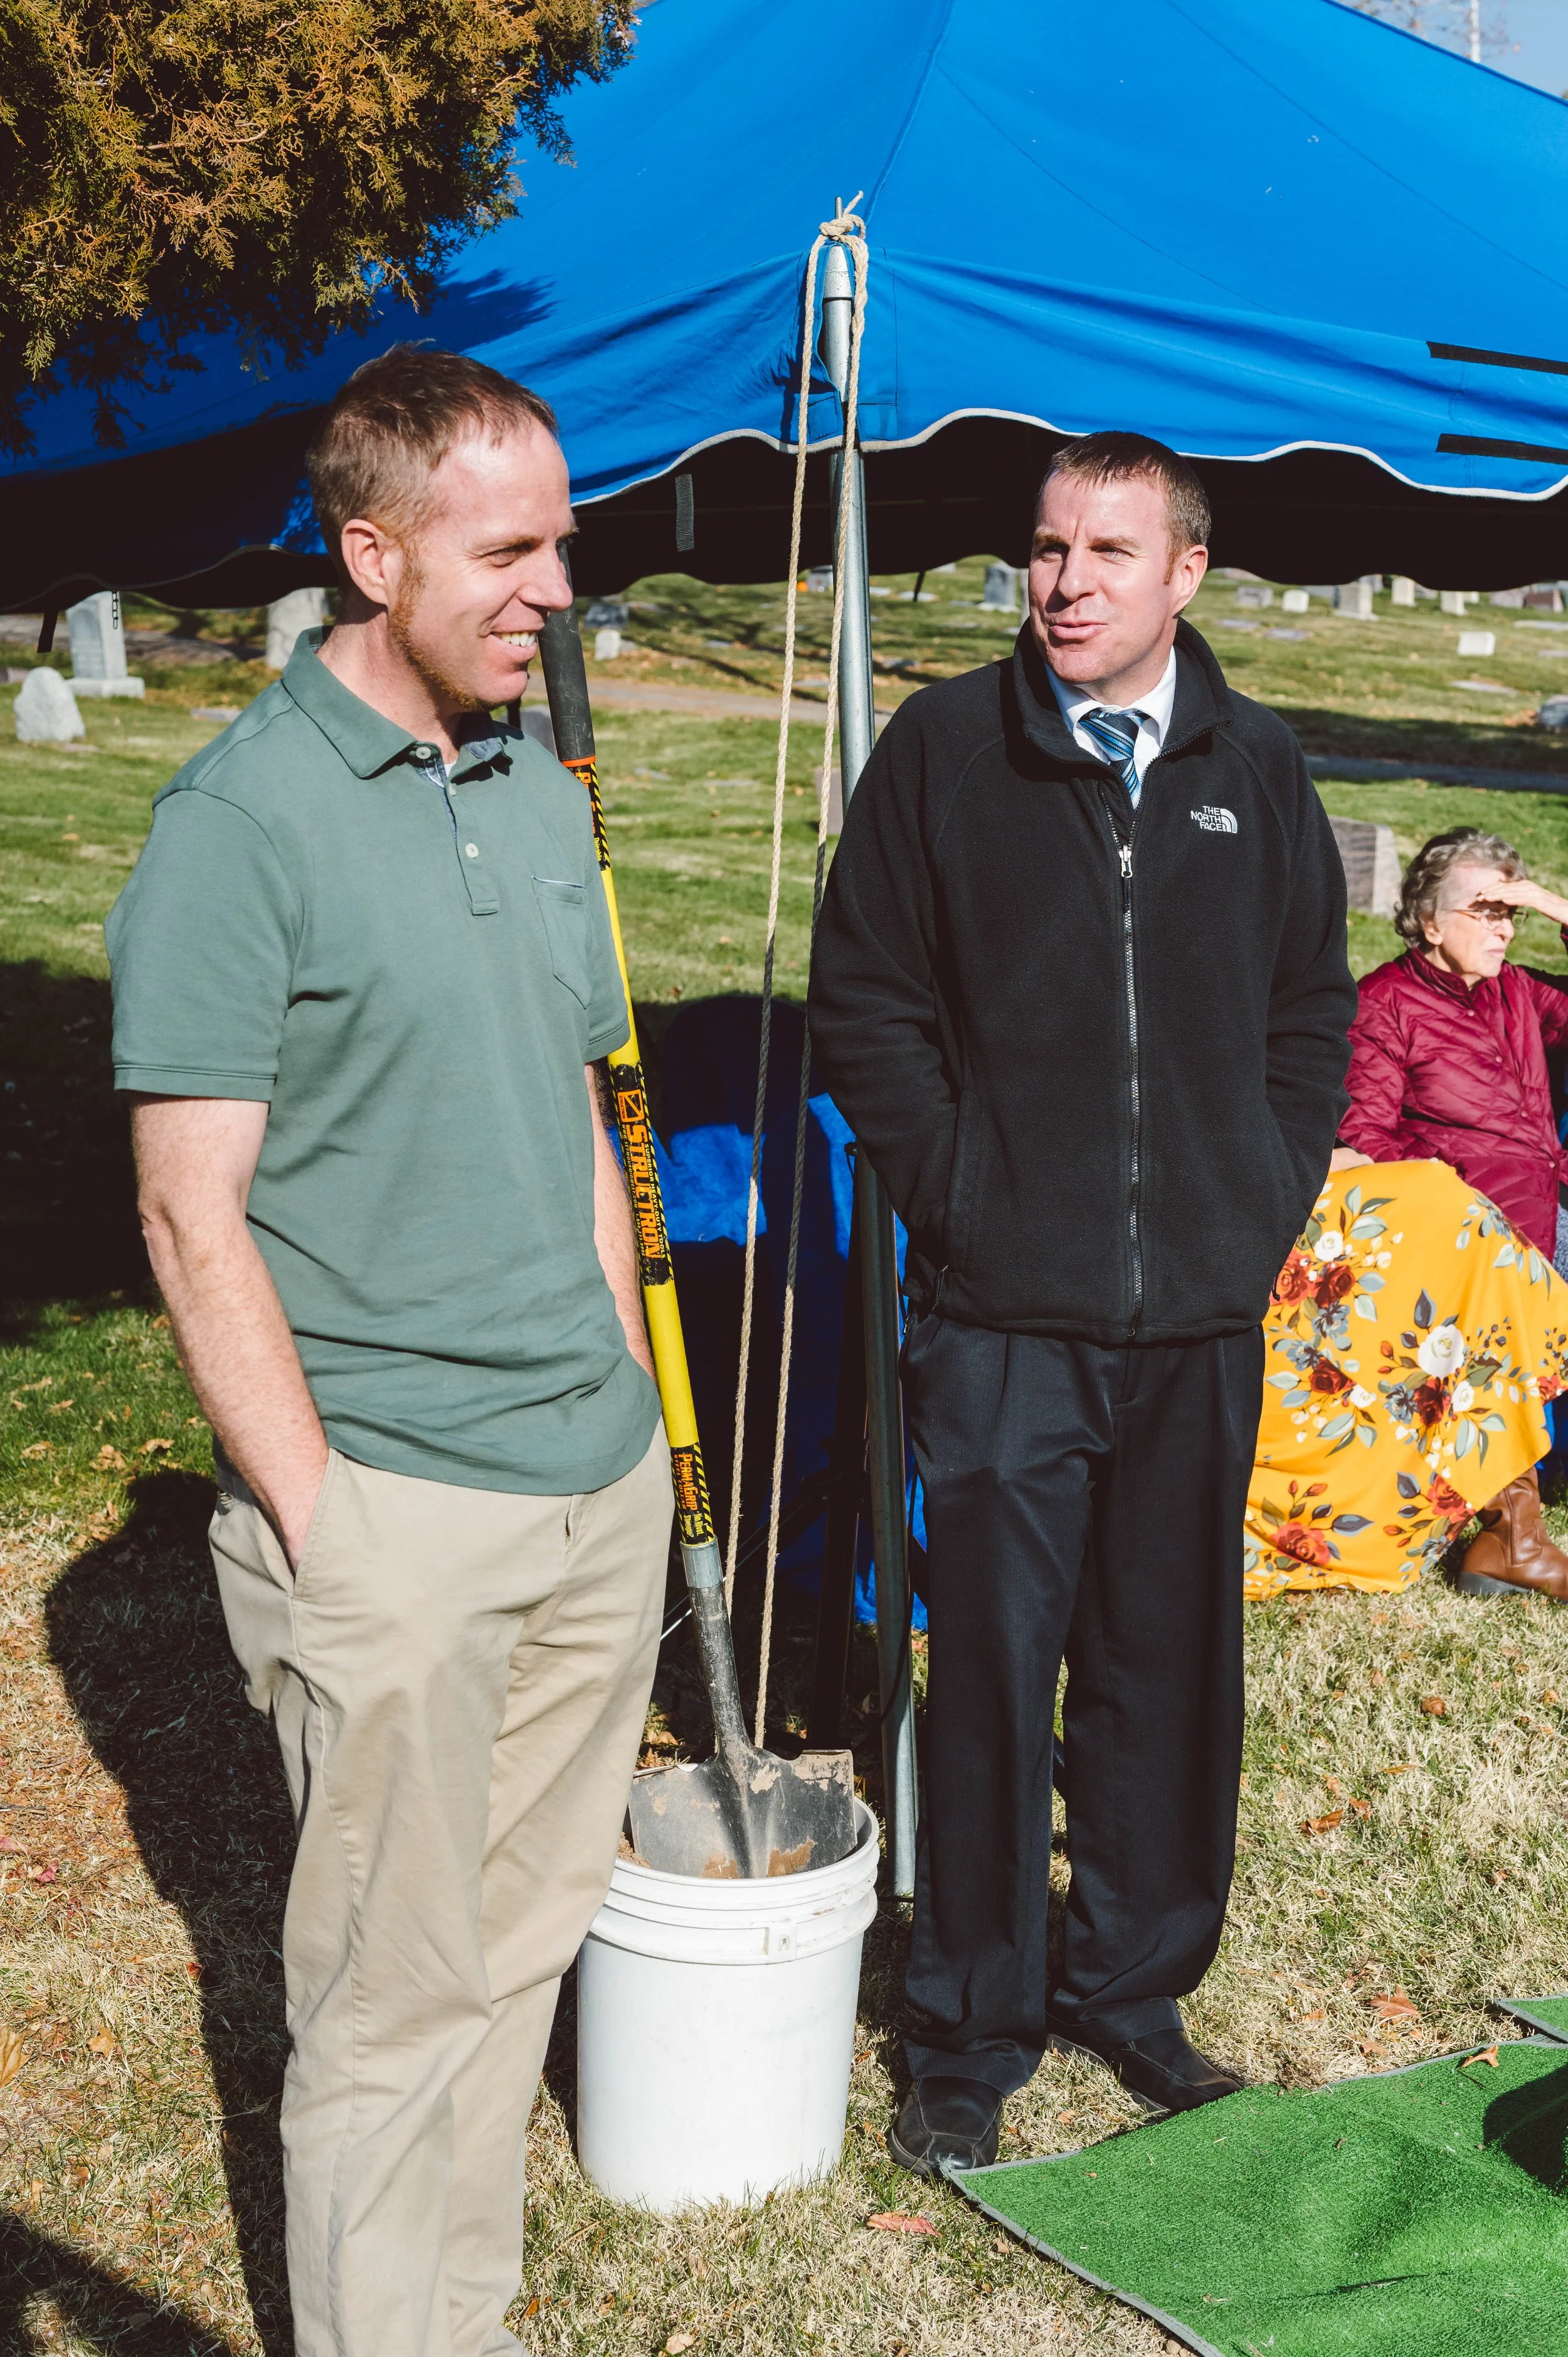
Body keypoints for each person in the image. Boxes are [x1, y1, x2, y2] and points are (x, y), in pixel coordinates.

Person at [105, 347, 672, 2357]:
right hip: (396, 1516)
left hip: (586, 1485)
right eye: (507, 551)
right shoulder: (236, 823)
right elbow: (189, 1214)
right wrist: (324, 1529)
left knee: (512, 1958)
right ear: (371, 552)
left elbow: (580, 1106)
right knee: (384, 1999)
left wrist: (621, 1407)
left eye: (565, 544)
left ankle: (465, 2324)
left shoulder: (531, 780)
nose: (555, 589)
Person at [808, 431, 1355, 2171]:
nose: (1063, 584)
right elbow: (866, 1004)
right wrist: (960, 1200)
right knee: (985, 1669)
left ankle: (1134, 1990)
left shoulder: (1252, 768)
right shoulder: (943, 754)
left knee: (1164, 1666)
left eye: (1107, 551)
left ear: (1185, 572)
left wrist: (1250, 1204)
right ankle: (967, 2025)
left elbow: (1307, 1020)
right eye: (1047, 549)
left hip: (1194, 1316)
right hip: (1000, 1319)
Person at [1303, 826, 1568, 1599]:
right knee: (1508, 1293)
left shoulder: (1516, 990)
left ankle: (1511, 1524)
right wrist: (1459, 1210)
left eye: (1508, 913)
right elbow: (1368, 1145)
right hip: (1474, 1231)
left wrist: (1549, 904)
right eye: (1483, 910)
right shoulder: (1386, 1004)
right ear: (1427, 919)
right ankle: (1510, 1532)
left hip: (1549, 1205)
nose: (1501, 929)